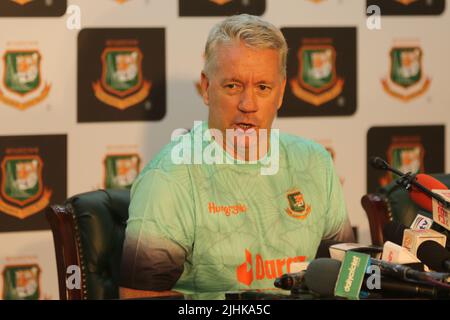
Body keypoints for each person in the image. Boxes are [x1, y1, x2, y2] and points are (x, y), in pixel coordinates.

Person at [119, 14, 354, 299]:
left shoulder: (316, 163)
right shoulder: (169, 177)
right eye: (233, 86)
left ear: (279, 93)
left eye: (263, 88)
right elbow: (138, 297)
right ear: (206, 88)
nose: (248, 104)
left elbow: (344, 280)